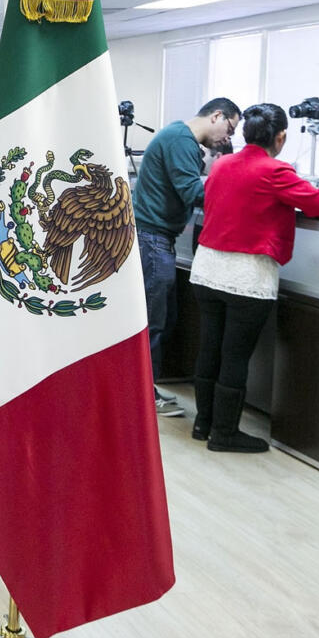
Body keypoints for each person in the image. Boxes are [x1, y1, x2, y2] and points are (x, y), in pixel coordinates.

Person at [190, 104, 319, 453]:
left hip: (206, 270)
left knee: (210, 348)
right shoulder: (276, 170)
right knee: (234, 355)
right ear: (280, 137)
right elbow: (318, 202)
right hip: (245, 276)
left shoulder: (221, 165)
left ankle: (203, 424)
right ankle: (225, 434)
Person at [133, 97, 241, 417]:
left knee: (159, 318)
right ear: (217, 116)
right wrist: (241, 191)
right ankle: (143, 397)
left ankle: (144, 391)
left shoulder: (178, 137)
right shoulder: (181, 140)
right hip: (152, 239)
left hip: (155, 238)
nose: (228, 138)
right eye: (229, 128)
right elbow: (194, 193)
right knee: (153, 321)